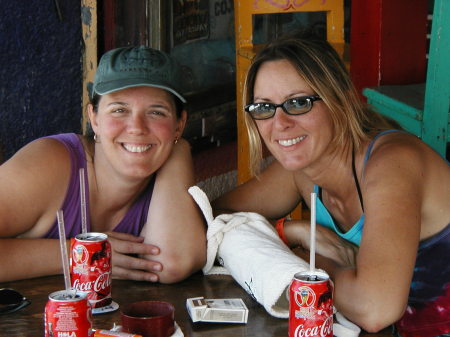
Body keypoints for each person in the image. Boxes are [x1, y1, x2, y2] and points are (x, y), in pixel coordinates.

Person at [212, 32, 450, 337]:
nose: (280, 123)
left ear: (341, 98)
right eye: (264, 108)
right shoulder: (301, 170)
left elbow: (375, 308)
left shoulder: (392, 164)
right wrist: (289, 230)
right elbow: (213, 215)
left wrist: (306, 262)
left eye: (298, 103)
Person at [0, 46, 206, 284]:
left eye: (157, 112)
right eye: (119, 110)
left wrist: (179, 148)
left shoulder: (165, 169)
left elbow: (172, 264)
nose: (137, 127)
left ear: (180, 124)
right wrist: (81, 253)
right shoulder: (50, 165)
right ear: (94, 118)